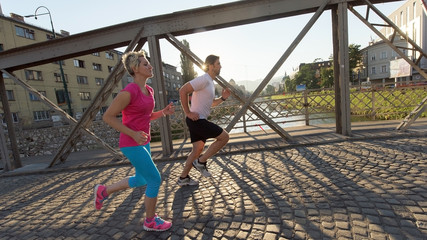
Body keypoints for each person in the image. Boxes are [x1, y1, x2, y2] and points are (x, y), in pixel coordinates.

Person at [93, 50, 174, 232]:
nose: (150, 66)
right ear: (134, 68)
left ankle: (103, 191)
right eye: (145, 64)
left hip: (142, 141)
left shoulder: (149, 90)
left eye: (149, 63)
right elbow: (108, 117)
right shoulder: (128, 92)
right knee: (154, 179)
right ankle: (150, 221)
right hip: (130, 143)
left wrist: (163, 112)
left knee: (140, 179)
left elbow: (146, 116)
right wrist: (133, 133)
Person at [177, 54, 231, 186]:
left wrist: (223, 98)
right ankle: (201, 162)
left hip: (197, 121)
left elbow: (211, 103)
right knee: (224, 137)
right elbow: (183, 91)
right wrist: (188, 112)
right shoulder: (204, 79)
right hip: (197, 120)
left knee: (197, 150)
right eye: (218, 64)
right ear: (211, 66)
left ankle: (183, 178)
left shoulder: (211, 83)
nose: (220, 66)